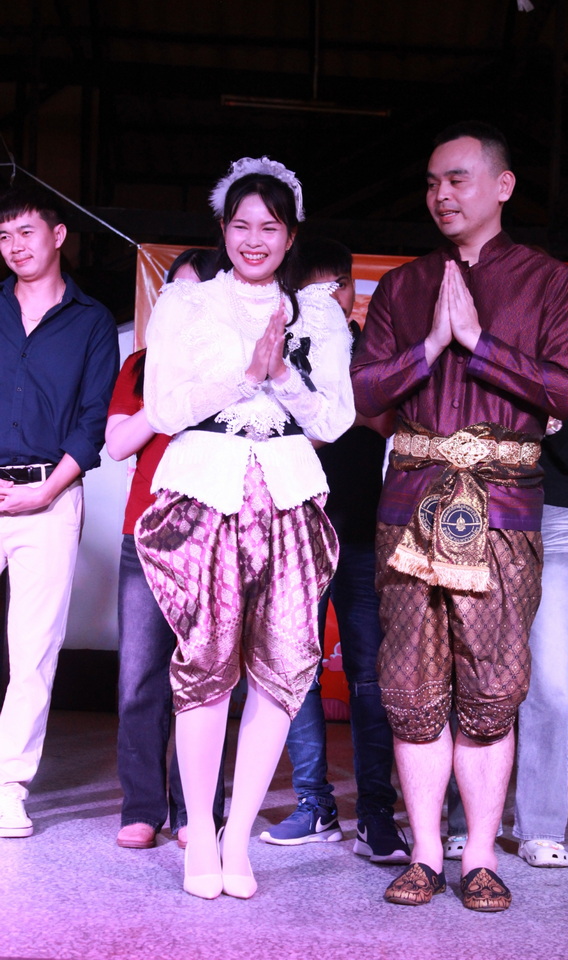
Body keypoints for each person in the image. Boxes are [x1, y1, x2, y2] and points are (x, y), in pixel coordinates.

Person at [350, 122, 568, 911]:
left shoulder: (549, 282)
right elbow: (362, 392)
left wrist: (479, 342)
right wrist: (430, 346)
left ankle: (480, 855)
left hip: (506, 510)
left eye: (456, 178)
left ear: (502, 185)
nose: (441, 195)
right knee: (411, 687)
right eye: (431, 183)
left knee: (492, 689)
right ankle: (426, 853)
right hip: (410, 506)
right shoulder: (402, 285)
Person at [135, 157, 355, 900]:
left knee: (284, 665)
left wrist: (283, 374)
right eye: (240, 225)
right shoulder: (187, 303)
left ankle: (238, 837)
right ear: (222, 230)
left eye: (269, 226)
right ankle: (200, 829)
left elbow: (336, 420)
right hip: (208, 489)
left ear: (291, 236)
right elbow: (163, 408)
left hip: (288, 494)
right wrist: (245, 375)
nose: (253, 239)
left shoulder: (317, 313)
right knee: (206, 658)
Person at [260, 238, 409, 864]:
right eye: (315, 287)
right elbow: (283, 429)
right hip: (298, 526)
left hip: (364, 532)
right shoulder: (285, 345)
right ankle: (314, 804)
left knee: (371, 675)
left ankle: (376, 813)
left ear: (352, 290)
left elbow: (387, 422)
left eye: (337, 285)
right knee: (297, 669)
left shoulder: (371, 350)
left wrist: (339, 404)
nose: (328, 297)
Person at [444, 361, 568, 867]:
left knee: (550, 688)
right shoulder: (478, 351)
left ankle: (541, 828)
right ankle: (465, 824)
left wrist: (548, 415)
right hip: (481, 512)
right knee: (472, 676)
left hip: (553, 521)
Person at [0, 183, 119, 838]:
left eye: (25, 232)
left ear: (57, 236)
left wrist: (45, 491)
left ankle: (8, 786)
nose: (14, 246)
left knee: (33, 650)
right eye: (3, 236)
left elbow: (93, 419)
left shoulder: (92, 321)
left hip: (50, 496)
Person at [107, 248, 226, 851]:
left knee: (205, 678)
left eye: (194, 293)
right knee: (139, 679)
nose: (180, 303)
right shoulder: (140, 366)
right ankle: (142, 807)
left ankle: (196, 811)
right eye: (172, 292)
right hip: (143, 535)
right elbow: (117, 444)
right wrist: (168, 394)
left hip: (212, 539)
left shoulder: (232, 370)